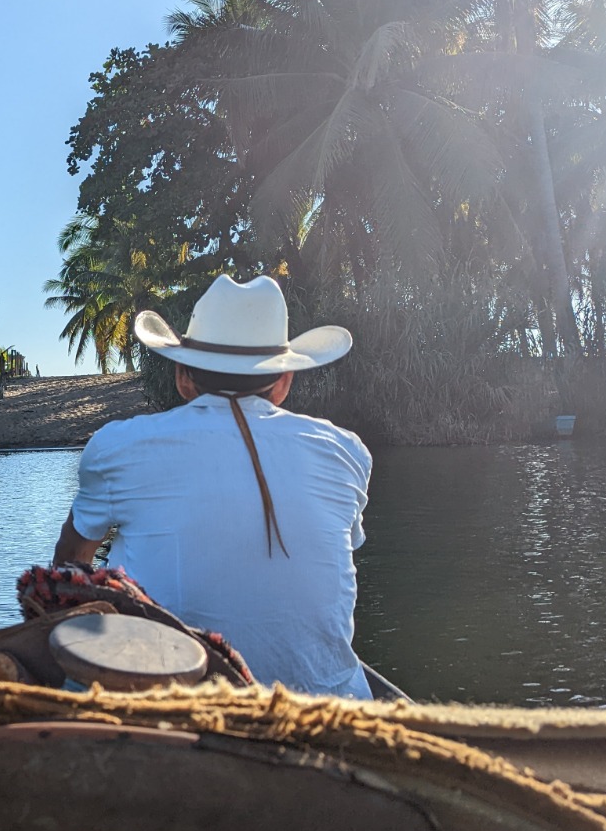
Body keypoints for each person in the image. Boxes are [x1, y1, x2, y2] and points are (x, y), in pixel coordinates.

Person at [52, 275, 373, 698]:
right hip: (334, 708)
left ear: (184, 377)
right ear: (284, 382)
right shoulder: (345, 451)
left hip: (181, 705)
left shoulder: (118, 446)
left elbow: (71, 563)